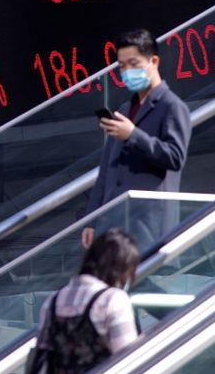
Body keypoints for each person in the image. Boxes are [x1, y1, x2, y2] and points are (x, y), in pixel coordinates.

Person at [82, 29, 191, 249]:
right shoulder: (125, 109)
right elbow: (106, 170)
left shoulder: (172, 106)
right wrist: (92, 220)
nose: (127, 71)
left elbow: (175, 157)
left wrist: (133, 135)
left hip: (148, 226)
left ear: (154, 61)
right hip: (114, 224)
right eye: (122, 66)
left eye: (133, 63)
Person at [32, 229, 139, 374]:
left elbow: (42, 356)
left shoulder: (52, 302)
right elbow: (128, 359)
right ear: (120, 268)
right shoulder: (112, 300)